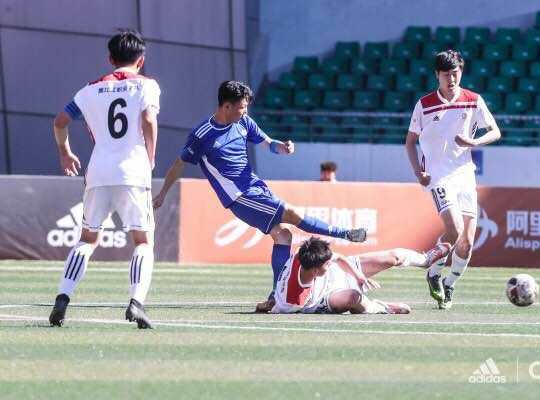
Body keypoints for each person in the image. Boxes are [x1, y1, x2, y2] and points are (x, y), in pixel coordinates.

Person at [152, 81, 367, 312]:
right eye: (241, 107)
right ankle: (344, 233)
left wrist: (282, 147)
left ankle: (277, 296)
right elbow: (179, 164)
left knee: (283, 236)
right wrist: (163, 192)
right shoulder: (202, 134)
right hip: (239, 196)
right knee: (291, 213)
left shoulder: (243, 122)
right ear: (226, 106)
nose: (245, 111)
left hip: (256, 187)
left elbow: (268, 143)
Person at [49, 30, 160, 329]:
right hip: (133, 171)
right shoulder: (147, 85)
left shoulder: (90, 89)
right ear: (141, 60)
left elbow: (60, 121)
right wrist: (151, 157)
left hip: (98, 171)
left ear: (110, 59)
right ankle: (136, 302)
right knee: (143, 241)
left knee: (87, 239)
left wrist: (65, 153)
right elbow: (148, 119)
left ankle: (63, 297)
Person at [405, 50, 501, 309]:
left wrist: (474, 141)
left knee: (466, 242)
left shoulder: (473, 100)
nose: (451, 79)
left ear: (461, 72)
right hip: (437, 176)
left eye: (455, 73)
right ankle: (434, 272)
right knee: (454, 229)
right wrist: (418, 172)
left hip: (465, 174)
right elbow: (410, 142)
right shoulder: (424, 105)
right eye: (446, 74)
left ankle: (449, 284)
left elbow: (495, 131)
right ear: (437, 75)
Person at [271, 233, 452, 314]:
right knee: (353, 297)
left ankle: (425, 260)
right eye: (327, 264)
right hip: (326, 297)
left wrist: (358, 276)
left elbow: (338, 258)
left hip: (343, 272)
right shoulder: (293, 300)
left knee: (393, 257)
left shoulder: (306, 254)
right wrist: (268, 306)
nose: (330, 262)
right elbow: (278, 306)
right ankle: (381, 307)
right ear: (316, 270)